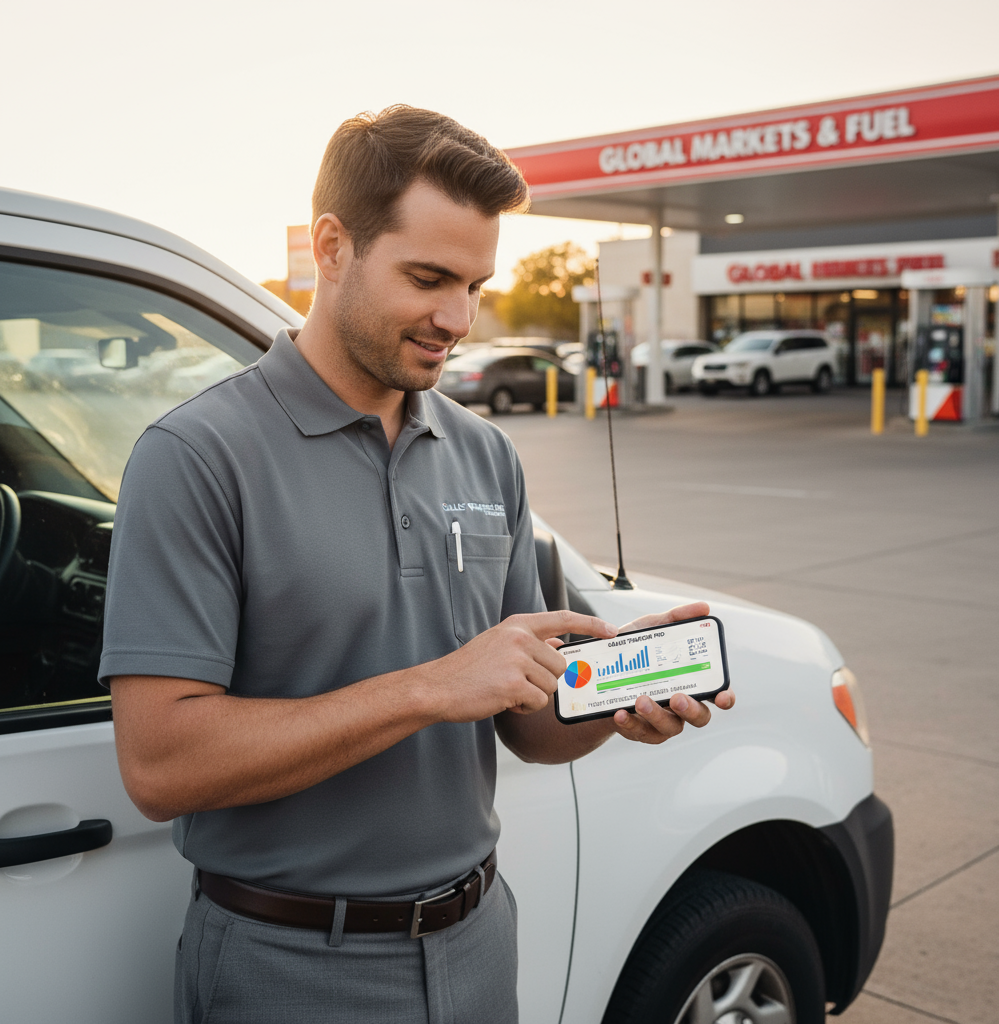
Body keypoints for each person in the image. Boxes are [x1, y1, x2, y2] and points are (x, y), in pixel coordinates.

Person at [101, 106, 735, 1024]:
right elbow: (160, 765)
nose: (458, 319)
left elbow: (527, 722)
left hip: (479, 942)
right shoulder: (196, 456)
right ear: (331, 247)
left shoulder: (486, 454)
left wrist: (611, 701)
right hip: (288, 966)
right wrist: (431, 687)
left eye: (476, 285)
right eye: (429, 278)